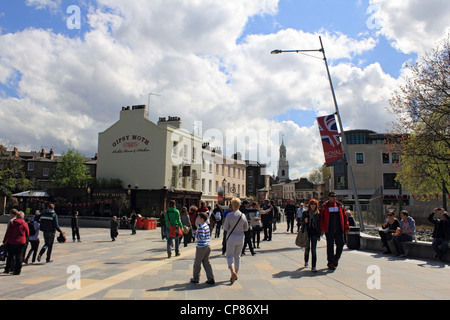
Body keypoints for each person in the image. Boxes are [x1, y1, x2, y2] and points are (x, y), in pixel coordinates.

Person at [320, 192, 349, 270]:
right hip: (329, 230)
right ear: (329, 197)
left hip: (339, 229)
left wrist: (346, 228)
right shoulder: (325, 206)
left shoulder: (340, 205)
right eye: (332, 196)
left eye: (335, 196)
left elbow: (345, 217)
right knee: (330, 246)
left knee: (341, 244)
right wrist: (321, 229)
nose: (334, 198)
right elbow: (321, 218)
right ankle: (330, 262)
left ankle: (336, 258)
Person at [223, 198, 248, 284]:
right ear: (239, 205)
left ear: (232, 205)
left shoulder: (229, 215)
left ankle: (232, 272)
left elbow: (225, 228)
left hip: (231, 237)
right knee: (237, 256)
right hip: (241, 237)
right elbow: (246, 228)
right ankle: (236, 273)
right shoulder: (243, 215)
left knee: (229, 256)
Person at [190, 212, 215, 285]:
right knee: (206, 263)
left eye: (198, 217)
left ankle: (196, 278)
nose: (197, 219)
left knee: (197, 263)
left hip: (201, 247)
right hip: (207, 246)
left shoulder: (201, 227)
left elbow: (201, 237)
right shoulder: (206, 226)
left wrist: (194, 234)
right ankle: (211, 278)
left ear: (201, 219)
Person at [3, 211, 29, 275]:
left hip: (11, 242)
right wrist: (25, 239)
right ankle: (17, 270)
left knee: (10, 256)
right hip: (21, 242)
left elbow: (8, 233)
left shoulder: (12, 223)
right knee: (19, 256)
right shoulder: (25, 223)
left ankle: (7, 269)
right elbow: (27, 233)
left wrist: (4, 241)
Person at [301, 199, 321, 272]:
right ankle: (306, 261)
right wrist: (305, 221)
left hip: (314, 233)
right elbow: (301, 222)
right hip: (307, 232)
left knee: (314, 250)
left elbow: (319, 225)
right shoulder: (305, 213)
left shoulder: (318, 213)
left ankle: (314, 266)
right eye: (312, 204)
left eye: (315, 204)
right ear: (309, 205)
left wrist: (319, 235)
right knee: (307, 248)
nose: (313, 205)